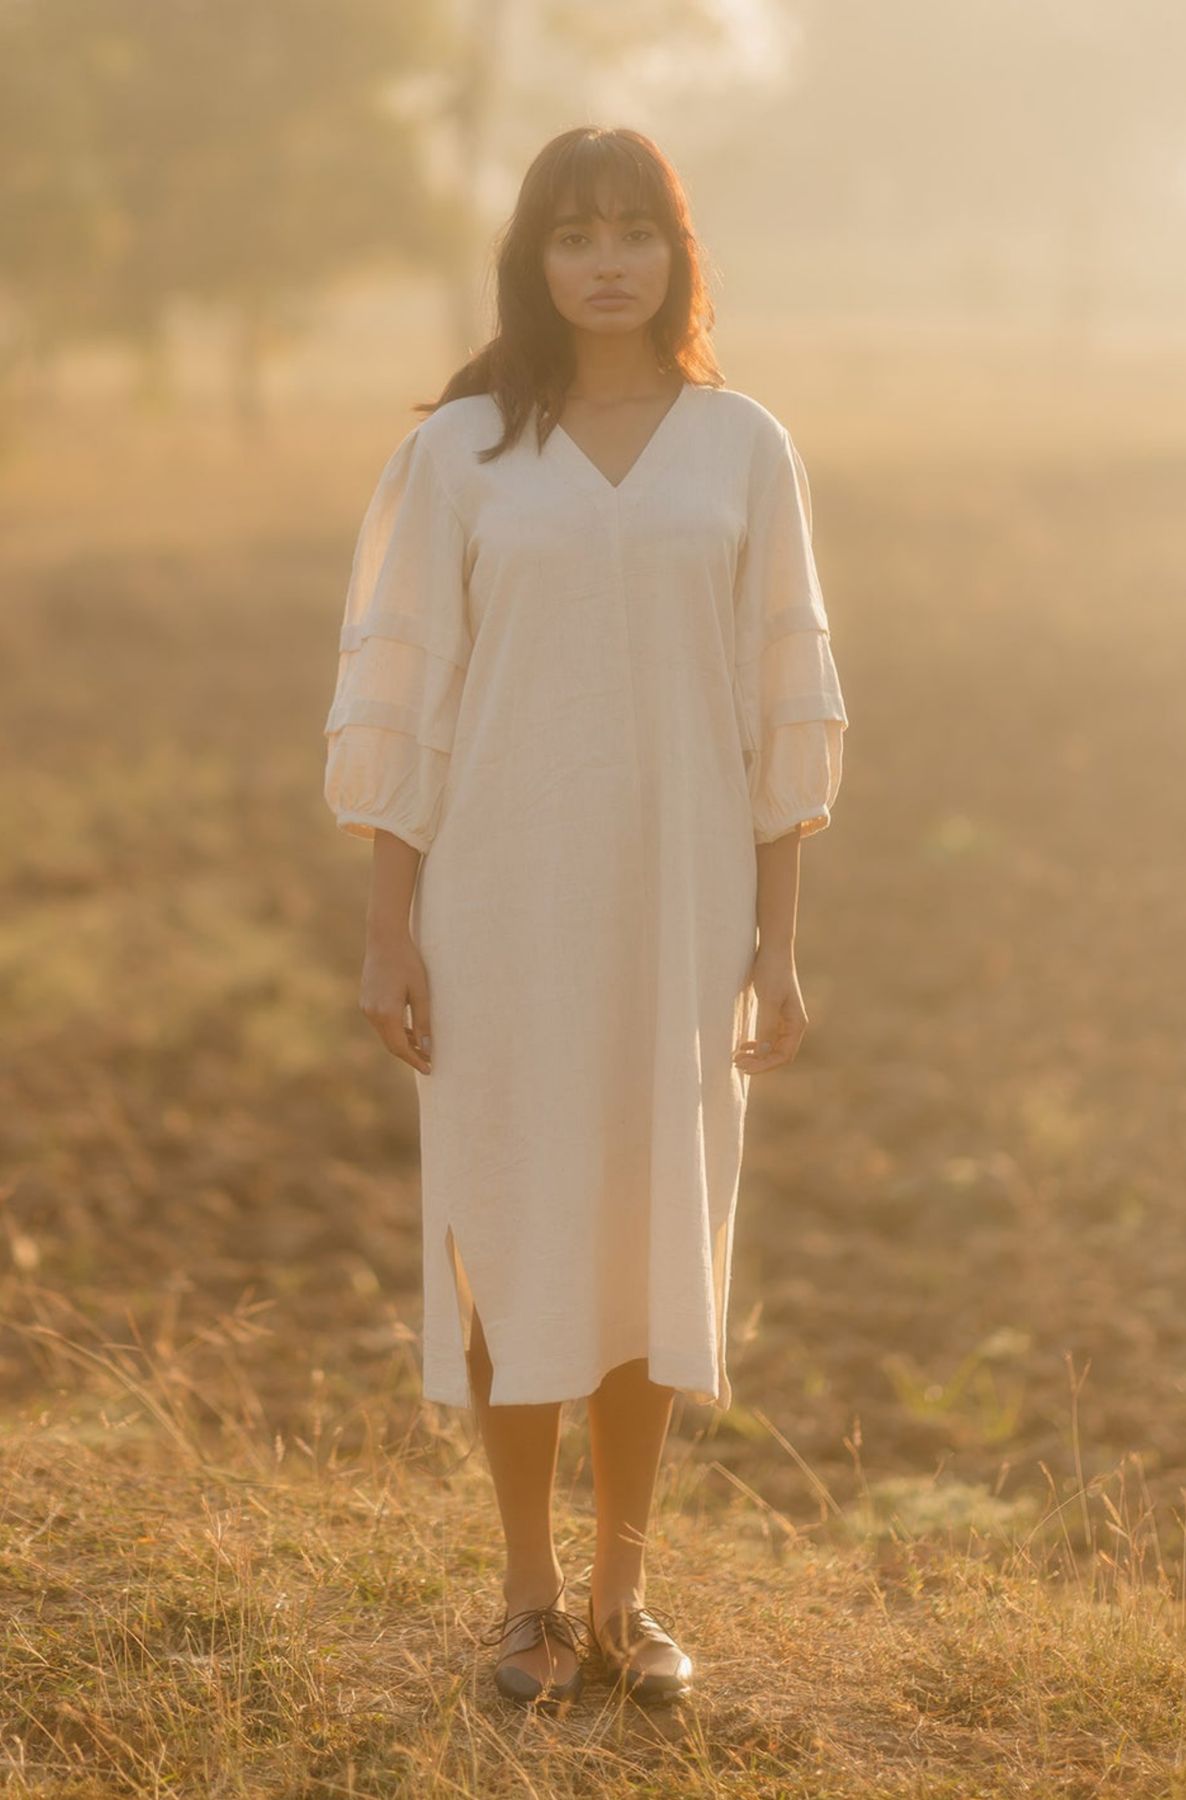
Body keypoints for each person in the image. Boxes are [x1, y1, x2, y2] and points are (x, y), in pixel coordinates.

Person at [323, 125, 847, 1711]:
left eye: (635, 230)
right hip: (502, 903)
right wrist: (388, 929)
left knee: (642, 1243)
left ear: (676, 254)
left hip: (681, 915)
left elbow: (785, 703)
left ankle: (625, 1604)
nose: (606, 258)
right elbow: (404, 698)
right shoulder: (462, 453)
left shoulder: (744, 444)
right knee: (510, 1230)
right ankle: (525, 1602)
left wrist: (780, 938)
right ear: (533, 260)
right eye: (575, 232)